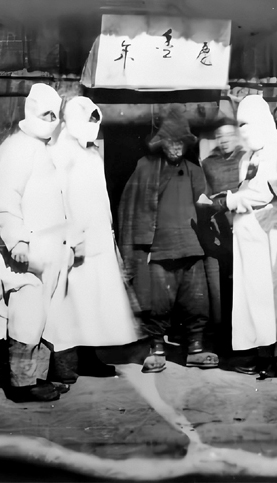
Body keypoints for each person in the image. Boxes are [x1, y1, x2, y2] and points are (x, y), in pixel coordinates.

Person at [42, 96, 140, 380]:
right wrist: (75, 239)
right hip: (77, 241)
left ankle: (90, 355)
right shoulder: (62, 152)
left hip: (99, 238)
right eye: (88, 121)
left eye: (96, 122)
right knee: (74, 302)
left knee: (94, 301)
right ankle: (67, 361)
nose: (93, 128)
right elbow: (63, 199)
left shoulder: (91, 154)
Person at [118, 105, 218, 374]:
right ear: (162, 143)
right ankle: (156, 349)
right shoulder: (145, 167)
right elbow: (130, 207)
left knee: (196, 301)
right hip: (159, 248)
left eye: (180, 143)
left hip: (191, 247)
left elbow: (205, 206)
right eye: (171, 142)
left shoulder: (194, 170)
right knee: (157, 303)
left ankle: (195, 349)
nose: (175, 148)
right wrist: (136, 247)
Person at [0, 83, 67, 402]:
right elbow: (6, 200)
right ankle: (22, 384)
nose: (51, 120)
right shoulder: (16, 148)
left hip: (50, 251)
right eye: (45, 113)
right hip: (27, 251)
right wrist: (17, 241)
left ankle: (38, 377)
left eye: (55, 114)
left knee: (44, 318)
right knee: (26, 316)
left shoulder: (46, 150)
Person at [212, 95, 277, 376]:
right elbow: (246, 187)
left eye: (247, 124)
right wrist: (232, 197)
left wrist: (228, 200)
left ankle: (275, 356)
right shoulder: (249, 156)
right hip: (247, 236)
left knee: (271, 296)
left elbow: (263, 192)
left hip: (268, 235)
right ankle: (260, 353)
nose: (243, 131)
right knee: (252, 297)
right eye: (240, 125)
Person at [199, 118, 244, 353]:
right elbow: (204, 197)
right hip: (221, 230)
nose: (224, 140)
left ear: (236, 136)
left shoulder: (246, 158)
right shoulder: (208, 163)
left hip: (245, 226)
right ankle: (226, 336)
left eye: (229, 135)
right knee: (224, 284)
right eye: (220, 136)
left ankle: (246, 338)